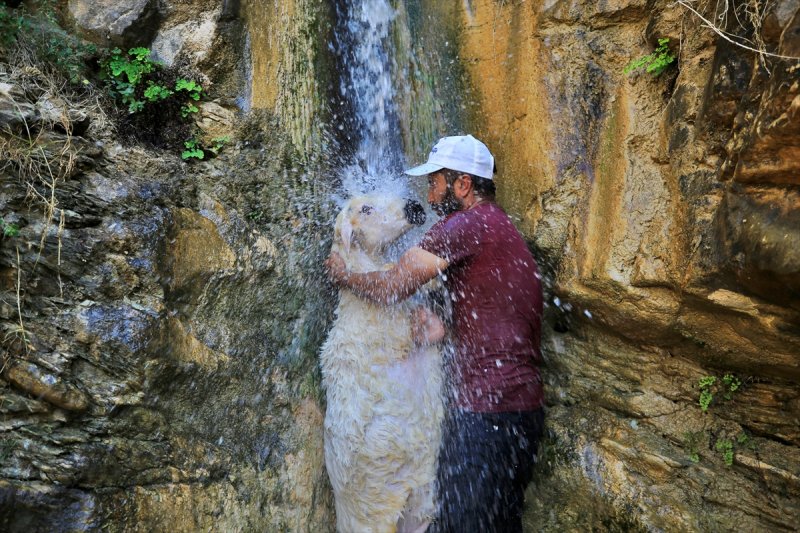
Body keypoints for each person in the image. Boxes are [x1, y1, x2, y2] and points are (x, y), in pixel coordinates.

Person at [325, 135, 544, 532]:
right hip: (521, 410)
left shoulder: (463, 225)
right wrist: (444, 327)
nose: (428, 194)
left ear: (462, 184)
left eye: (435, 182)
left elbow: (393, 286)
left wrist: (346, 275)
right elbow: (493, 312)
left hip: (486, 412)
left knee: (466, 524)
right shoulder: (499, 227)